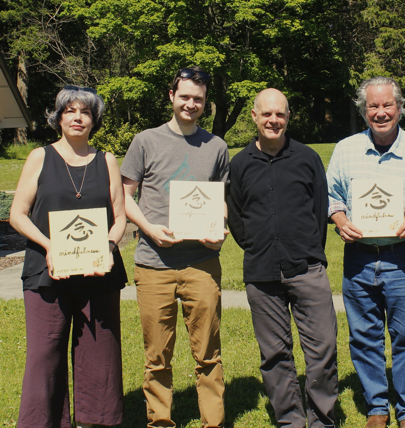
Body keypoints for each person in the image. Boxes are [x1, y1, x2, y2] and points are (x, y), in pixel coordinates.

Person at [10, 86, 127, 428]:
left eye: (85, 112)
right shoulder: (39, 157)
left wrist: (108, 246)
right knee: (44, 356)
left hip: (98, 272)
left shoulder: (107, 160)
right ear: (58, 117)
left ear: (94, 120)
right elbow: (18, 214)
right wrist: (50, 246)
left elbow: (119, 217)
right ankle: (41, 422)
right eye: (70, 111)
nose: (78, 118)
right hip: (47, 272)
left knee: (100, 353)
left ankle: (98, 420)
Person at [326, 76, 405, 428]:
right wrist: (339, 218)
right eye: (372, 106)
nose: (380, 112)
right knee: (363, 336)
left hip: (403, 258)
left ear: (400, 107)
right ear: (363, 111)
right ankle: (376, 405)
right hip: (358, 256)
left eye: (387, 105)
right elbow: (330, 196)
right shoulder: (345, 150)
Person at [120, 66, 229, 428]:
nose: (190, 104)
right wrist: (149, 228)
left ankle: (213, 422)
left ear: (205, 104)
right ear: (171, 96)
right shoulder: (145, 141)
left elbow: (221, 198)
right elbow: (124, 196)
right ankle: (160, 422)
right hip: (154, 264)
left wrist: (220, 228)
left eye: (197, 99)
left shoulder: (216, 146)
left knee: (209, 354)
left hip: (201, 262)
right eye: (184, 97)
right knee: (157, 356)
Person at [227, 88, 338, 428]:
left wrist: (305, 248)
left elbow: (320, 211)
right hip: (261, 273)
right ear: (254, 116)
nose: (273, 120)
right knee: (275, 354)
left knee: (322, 348)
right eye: (267, 114)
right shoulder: (240, 164)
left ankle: (321, 419)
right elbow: (236, 216)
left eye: (280, 114)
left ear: (288, 118)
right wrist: (258, 246)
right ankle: (289, 419)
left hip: (306, 267)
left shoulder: (307, 158)